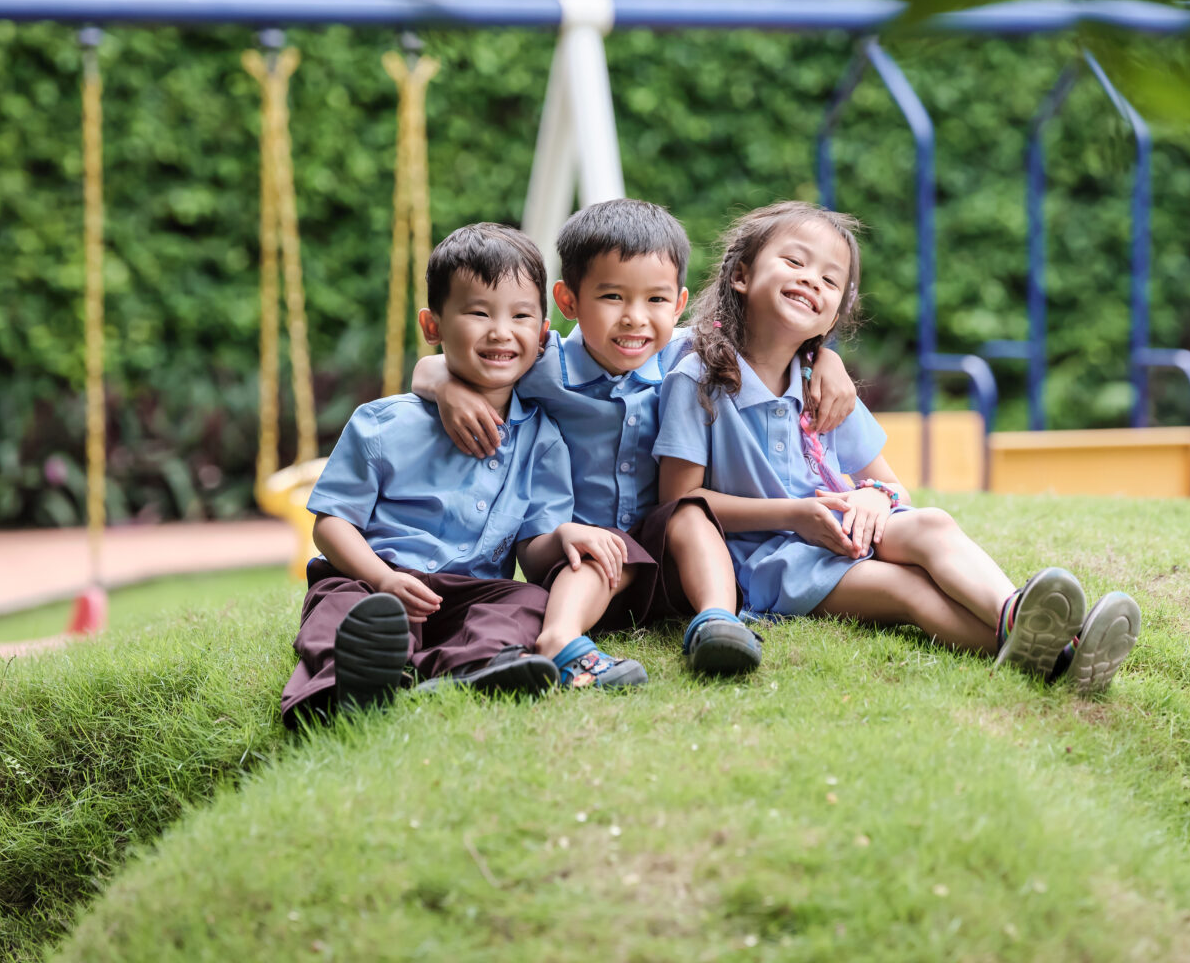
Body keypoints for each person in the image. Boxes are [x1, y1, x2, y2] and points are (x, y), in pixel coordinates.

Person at [651, 200, 1141, 693]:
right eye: (795, 263)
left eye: (829, 280)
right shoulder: (700, 375)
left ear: (834, 316)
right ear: (740, 275)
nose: (810, 281)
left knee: (932, 523)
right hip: (772, 561)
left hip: (846, 532)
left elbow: (892, 486)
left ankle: (1015, 613)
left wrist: (871, 497)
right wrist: (795, 515)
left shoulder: (822, 385)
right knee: (906, 590)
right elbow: (680, 503)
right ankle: (1060, 659)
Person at [413, 197, 861, 685]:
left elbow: (774, 342)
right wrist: (445, 386)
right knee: (610, 548)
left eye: (655, 300)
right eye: (612, 298)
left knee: (689, 512)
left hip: (664, 562)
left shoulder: (689, 357)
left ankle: (717, 621)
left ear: (679, 304)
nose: (634, 319)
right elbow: (438, 363)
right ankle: (560, 640)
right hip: (574, 561)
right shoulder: (543, 366)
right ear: (567, 303)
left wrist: (827, 361)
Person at [279, 223, 623, 722]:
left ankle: (468, 669)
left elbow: (532, 547)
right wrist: (381, 577)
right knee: (341, 606)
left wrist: (565, 533)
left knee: (526, 601)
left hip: (471, 593)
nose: (501, 331)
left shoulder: (544, 439)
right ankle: (342, 685)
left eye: (521, 315)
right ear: (432, 326)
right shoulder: (382, 423)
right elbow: (331, 524)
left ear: (544, 333)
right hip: (374, 581)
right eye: (478, 312)